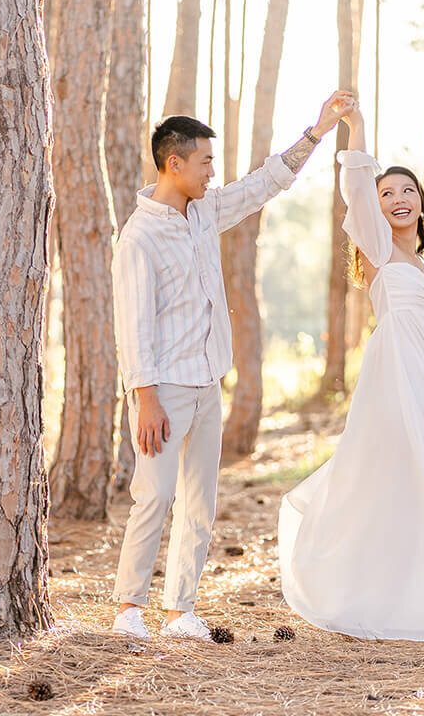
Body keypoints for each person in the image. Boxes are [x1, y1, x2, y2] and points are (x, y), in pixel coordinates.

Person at [111, 92, 355, 641]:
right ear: (174, 163)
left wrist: (315, 133)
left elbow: (264, 182)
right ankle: (129, 608)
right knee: (154, 496)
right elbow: (133, 326)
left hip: (207, 384)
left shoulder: (203, 212)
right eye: (205, 162)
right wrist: (144, 396)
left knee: (200, 501)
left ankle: (180, 611)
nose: (212, 173)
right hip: (163, 389)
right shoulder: (139, 237)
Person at [277, 102, 424, 641]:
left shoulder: (420, 261)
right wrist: (357, 129)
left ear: (420, 204)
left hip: (422, 380)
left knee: (418, 475)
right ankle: (356, 585)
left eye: (406, 192)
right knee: (395, 470)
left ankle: (410, 589)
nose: (398, 199)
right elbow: (354, 188)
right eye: (387, 194)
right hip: (391, 377)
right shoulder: (375, 246)